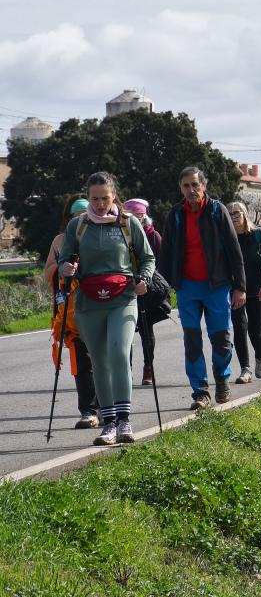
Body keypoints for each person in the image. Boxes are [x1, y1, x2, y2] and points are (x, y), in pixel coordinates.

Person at [59, 172, 155, 445]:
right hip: (88, 302)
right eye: (95, 198)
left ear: (114, 196)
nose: (100, 204)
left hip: (123, 298)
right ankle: (109, 424)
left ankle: (125, 420)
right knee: (99, 361)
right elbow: (66, 258)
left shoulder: (128, 223)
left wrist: (144, 279)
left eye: (105, 198)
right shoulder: (77, 226)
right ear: (87, 197)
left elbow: (148, 257)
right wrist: (67, 268)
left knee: (118, 353)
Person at [158, 166, 246, 410]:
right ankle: (200, 392)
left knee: (221, 340)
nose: (191, 190)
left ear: (204, 186)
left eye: (195, 185)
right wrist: (163, 287)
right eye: (186, 186)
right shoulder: (176, 214)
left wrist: (240, 287)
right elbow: (165, 254)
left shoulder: (217, 210)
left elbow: (233, 249)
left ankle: (221, 378)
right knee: (192, 341)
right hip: (187, 288)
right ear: (181, 188)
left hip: (217, 286)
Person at [44, 194, 98, 429]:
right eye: (75, 216)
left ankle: (108, 408)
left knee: (103, 361)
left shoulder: (101, 236)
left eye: (83, 215)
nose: (79, 219)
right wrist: (61, 267)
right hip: (71, 312)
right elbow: (48, 273)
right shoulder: (59, 240)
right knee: (81, 362)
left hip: (99, 308)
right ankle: (88, 410)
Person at [228, 201, 261, 384]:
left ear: (245, 214)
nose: (233, 217)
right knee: (239, 329)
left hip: (257, 290)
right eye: (230, 214)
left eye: (237, 213)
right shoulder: (227, 238)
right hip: (235, 290)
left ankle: (260, 357)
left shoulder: (257, 234)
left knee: (256, 331)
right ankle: (245, 369)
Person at [123, 198, 161, 386]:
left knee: (146, 332)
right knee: (125, 334)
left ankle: (148, 368)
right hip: (124, 289)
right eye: (133, 215)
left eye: (140, 215)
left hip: (146, 290)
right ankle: (126, 370)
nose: (137, 218)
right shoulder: (119, 232)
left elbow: (159, 261)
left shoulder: (154, 236)